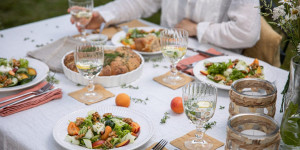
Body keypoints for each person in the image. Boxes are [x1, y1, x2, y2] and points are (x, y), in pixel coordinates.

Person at [70, 0, 261, 53]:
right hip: (162, 56)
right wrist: (102, 16)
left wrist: (197, 29)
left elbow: (247, 33)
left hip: (211, 62)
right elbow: (141, 2)